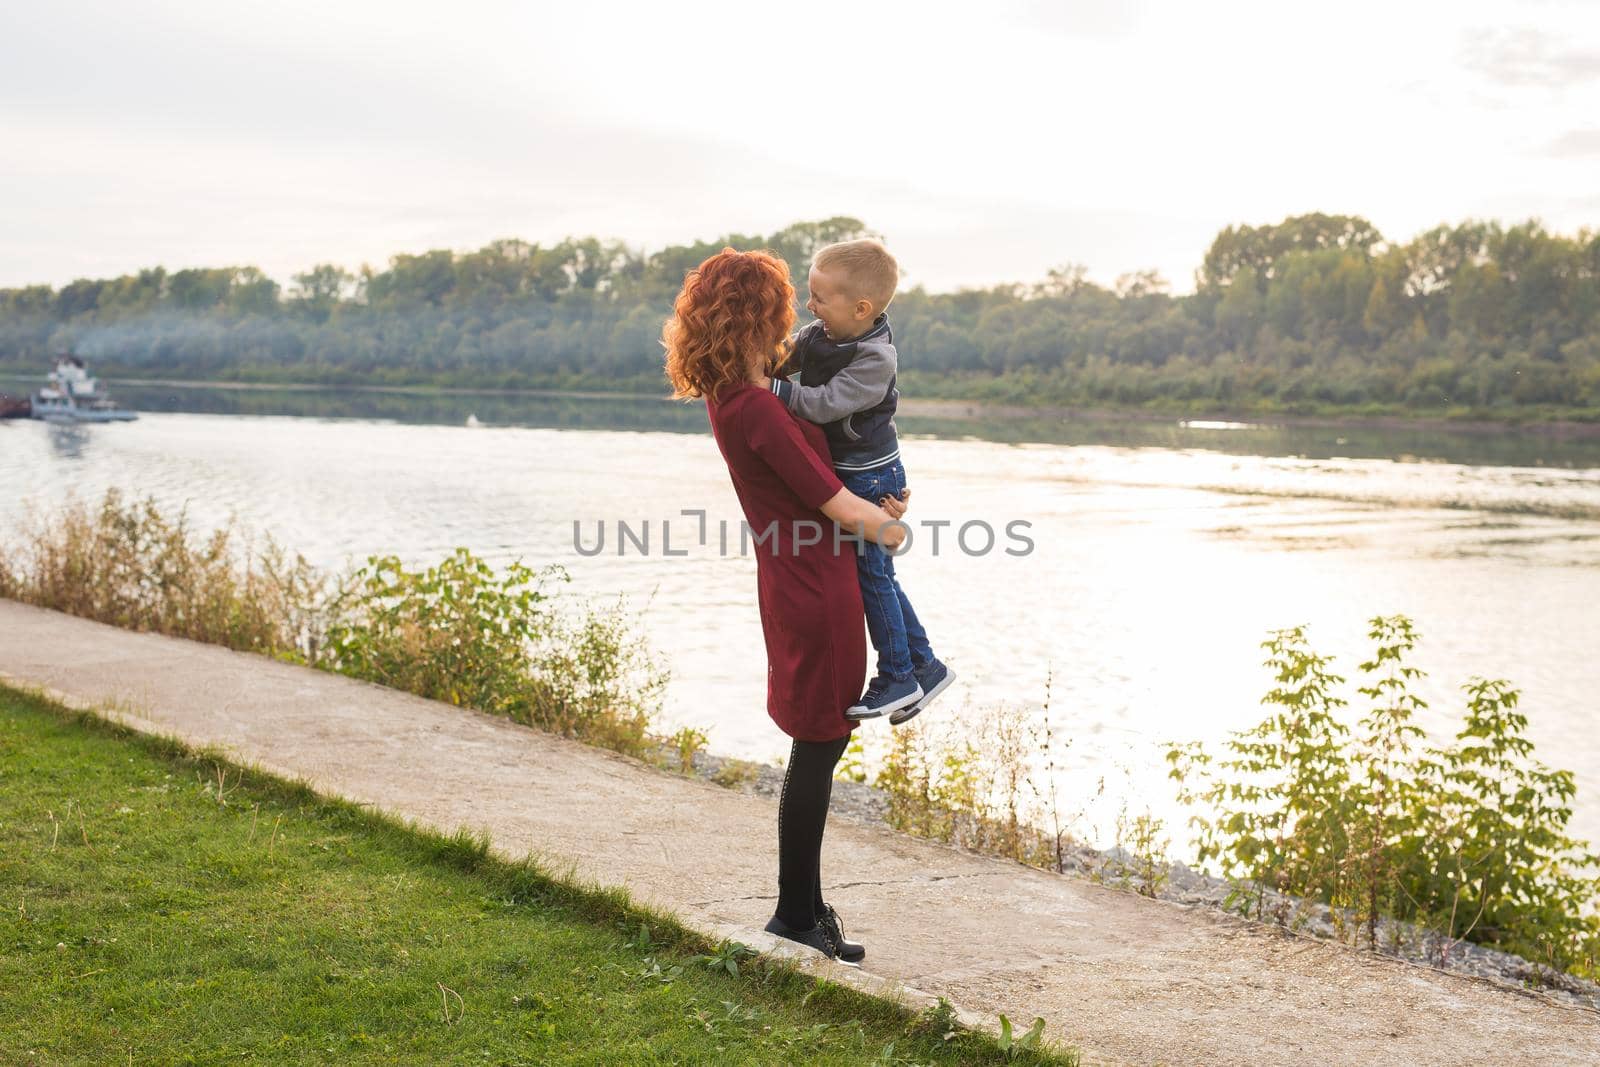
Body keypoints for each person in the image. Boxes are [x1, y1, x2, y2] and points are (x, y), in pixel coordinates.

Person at [663, 247, 908, 964]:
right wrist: (890, 525)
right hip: (816, 587)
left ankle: (806, 906)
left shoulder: (745, 391)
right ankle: (795, 912)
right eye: (783, 304)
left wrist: (877, 502)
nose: (796, 314)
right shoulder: (757, 408)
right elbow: (829, 499)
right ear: (756, 314)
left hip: (799, 575)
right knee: (819, 745)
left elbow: (835, 478)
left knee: (817, 742)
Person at [760, 239, 953, 724]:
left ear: (861, 308)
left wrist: (771, 389)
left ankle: (899, 675)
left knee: (873, 575)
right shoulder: (822, 332)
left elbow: (823, 402)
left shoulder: (874, 359)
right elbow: (786, 359)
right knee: (879, 574)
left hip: (872, 475)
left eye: (820, 298)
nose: (810, 306)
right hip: (856, 470)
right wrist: (758, 364)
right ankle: (925, 666)